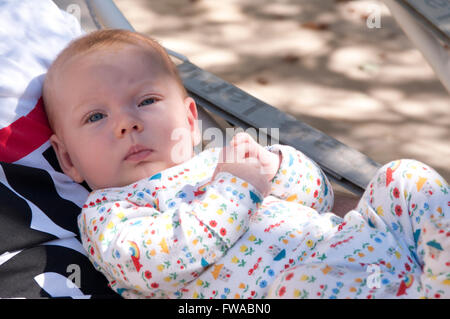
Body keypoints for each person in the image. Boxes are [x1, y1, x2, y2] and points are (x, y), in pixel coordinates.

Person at [42, 29, 449, 299]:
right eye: (95, 117)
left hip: (368, 247)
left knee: (405, 177)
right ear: (68, 159)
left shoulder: (221, 161)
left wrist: (276, 166)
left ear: (188, 119)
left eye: (146, 101)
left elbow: (318, 197)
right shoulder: (108, 213)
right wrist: (237, 189)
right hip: (278, 294)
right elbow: (164, 261)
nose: (127, 123)